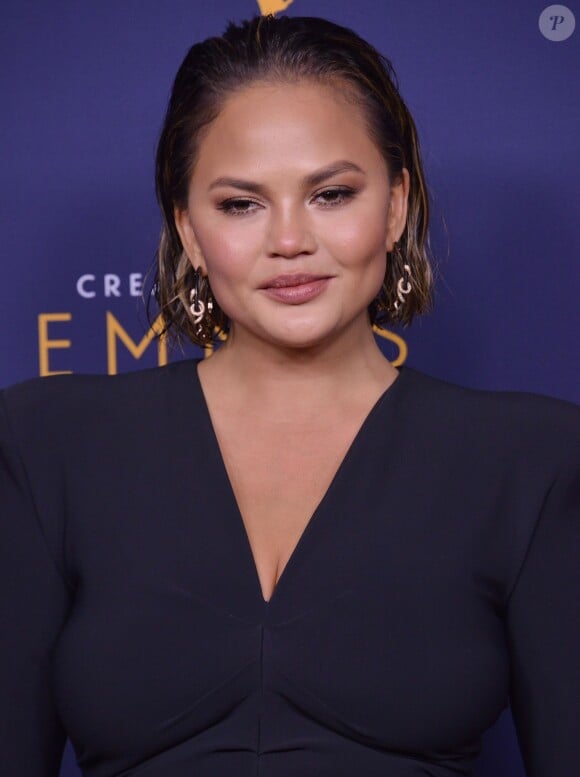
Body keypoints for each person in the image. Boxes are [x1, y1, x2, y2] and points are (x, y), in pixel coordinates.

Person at [1, 14, 578, 777]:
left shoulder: (531, 462)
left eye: (332, 194)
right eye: (241, 203)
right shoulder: (48, 444)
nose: (289, 241)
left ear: (397, 205)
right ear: (189, 227)